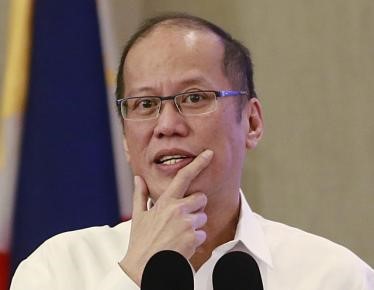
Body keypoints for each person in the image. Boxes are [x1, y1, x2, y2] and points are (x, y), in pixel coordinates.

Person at [10, 13, 374, 290]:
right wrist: (136, 272)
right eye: (145, 104)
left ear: (252, 122)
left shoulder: (332, 277)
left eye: (194, 98)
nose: (166, 124)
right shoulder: (59, 269)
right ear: (124, 139)